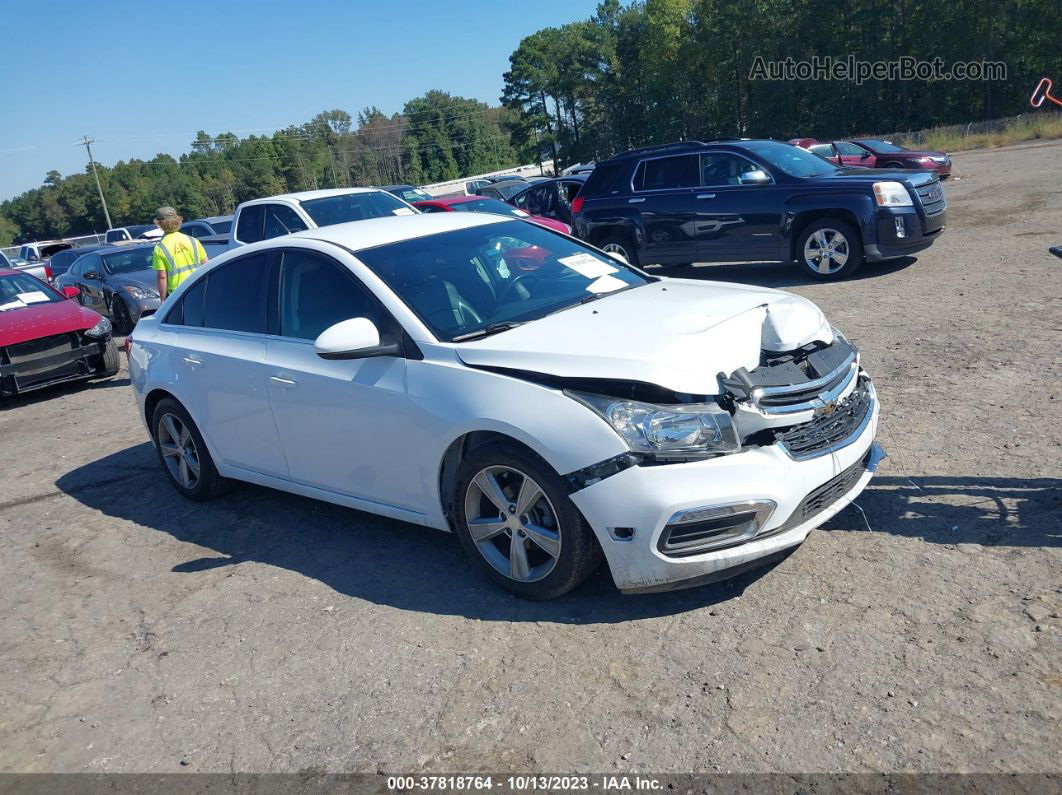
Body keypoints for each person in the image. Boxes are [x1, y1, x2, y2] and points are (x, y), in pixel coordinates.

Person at [151, 207, 207, 300]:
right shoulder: (192, 240)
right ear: (178, 221)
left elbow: (162, 277)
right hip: (198, 288)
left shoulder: (160, 248)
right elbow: (206, 264)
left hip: (178, 294)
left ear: (160, 224)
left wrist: (163, 301)